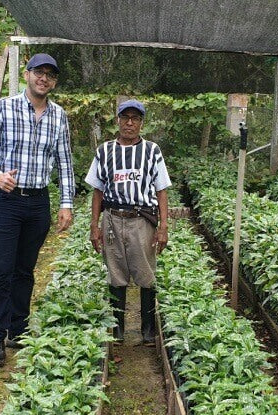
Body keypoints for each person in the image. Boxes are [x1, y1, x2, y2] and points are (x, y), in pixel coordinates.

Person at [0, 53, 75, 369]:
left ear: (54, 82)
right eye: (39, 72)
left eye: (50, 75)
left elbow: (65, 162)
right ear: (27, 74)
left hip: (37, 201)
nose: (44, 78)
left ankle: (19, 328)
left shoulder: (59, 116)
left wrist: (66, 203)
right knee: (1, 268)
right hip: (6, 200)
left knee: (25, 269)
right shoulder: (4, 107)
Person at [85, 99, 170, 347]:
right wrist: (95, 224)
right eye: (125, 118)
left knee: (145, 273)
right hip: (112, 219)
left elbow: (161, 190)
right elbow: (98, 191)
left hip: (141, 220)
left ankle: (147, 329)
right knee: (116, 272)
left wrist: (163, 226)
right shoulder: (104, 151)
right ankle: (118, 327)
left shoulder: (152, 151)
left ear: (142, 123)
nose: (129, 123)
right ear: (118, 120)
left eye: (135, 119)